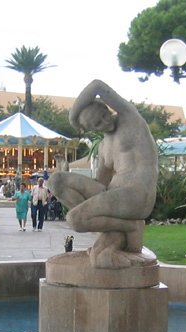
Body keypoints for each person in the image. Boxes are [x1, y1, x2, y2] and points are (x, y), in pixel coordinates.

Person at [48, 79, 157, 268]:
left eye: (104, 116)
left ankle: (131, 227)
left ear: (108, 109)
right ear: (92, 130)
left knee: (75, 219)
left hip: (137, 194)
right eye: (97, 124)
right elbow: (99, 185)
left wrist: (73, 118)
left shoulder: (129, 118)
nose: (105, 123)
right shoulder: (103, 147)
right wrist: (67, 175)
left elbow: (97, 85)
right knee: (56, 181)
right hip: (114, 196)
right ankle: (115, 228)